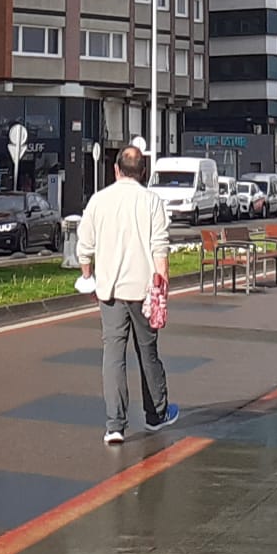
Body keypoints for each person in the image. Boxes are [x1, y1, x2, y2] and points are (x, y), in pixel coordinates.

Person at [76, 144, 176, 446]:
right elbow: (160, 245)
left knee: (113, 355)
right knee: (148, 351)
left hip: (109, 290)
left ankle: (115, 425)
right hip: (144, 289)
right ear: (143, 172)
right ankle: (155, 413)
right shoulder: (152, 201)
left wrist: (87, 277)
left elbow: (84, 245)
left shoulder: (99, 200)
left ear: (116, 169)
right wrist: (162, 283)